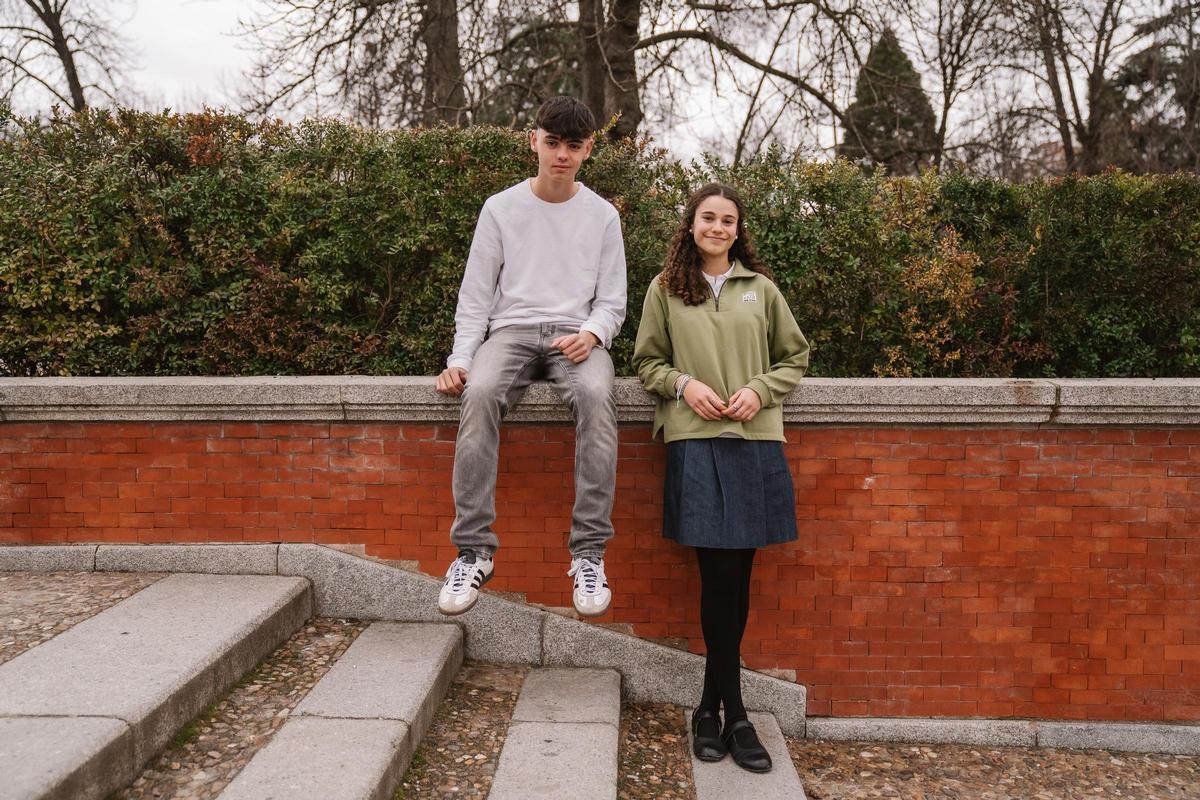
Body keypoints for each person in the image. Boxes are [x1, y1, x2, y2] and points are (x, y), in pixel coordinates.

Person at [632, 182, 809, 773]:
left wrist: (759, 391)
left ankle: (714, 709)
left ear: (738, 230)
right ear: (691, 225)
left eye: (729, 220)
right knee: (716, 576)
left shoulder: (762, 290)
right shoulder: (664, 290)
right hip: (695, 440)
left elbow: (795, 356)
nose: (718, 227)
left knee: (740, 576)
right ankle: (735, 713)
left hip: (755, 443)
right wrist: (686, 385)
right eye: (708, 217)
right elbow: (647, 361)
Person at [434, 96, 627, 619]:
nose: (560, 154)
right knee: (479, 392)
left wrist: (592, 333)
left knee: (594, 396)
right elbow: (475, 294)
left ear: (588, 149)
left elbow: (612, 301)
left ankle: (588, 554)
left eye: (573, 145)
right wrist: (461, 357)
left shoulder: (603, 216)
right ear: (533, 140)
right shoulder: (501, 208)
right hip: (512, 332)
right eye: (552, 142)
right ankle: (473, 550)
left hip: (575, 337)